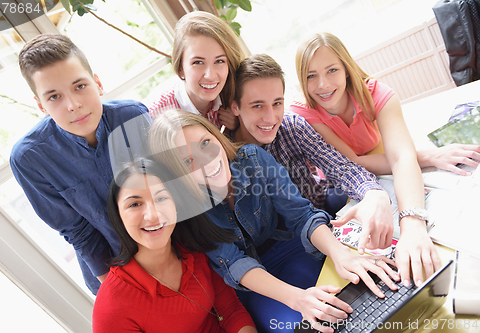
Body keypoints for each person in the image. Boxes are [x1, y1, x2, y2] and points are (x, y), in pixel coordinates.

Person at [149, 109, 399, 333]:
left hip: (293, 250)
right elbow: (234, 264)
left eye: (206, 143)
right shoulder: (187, 212)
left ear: (216, 136)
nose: (207, 160)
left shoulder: (252, 159)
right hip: (255, 282)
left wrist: (341, 253)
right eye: (186, 161)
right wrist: (297, 299)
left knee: (357, 293)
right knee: (297, 327)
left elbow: (301, 215)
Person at [291, 32, 477, 289]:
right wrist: (425, 156)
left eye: (332, 70)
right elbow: (353, 163)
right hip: (345, 187)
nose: (322, 84)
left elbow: (400, 155)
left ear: (346, 68)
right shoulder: (304, 114)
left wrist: (413, 224)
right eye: (311, 75)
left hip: (384, 171)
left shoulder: (376, 93)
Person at [10, 33, 152, 294]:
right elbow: (79, 233)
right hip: (113, 271)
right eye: (54, 97)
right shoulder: (29, 159)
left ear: (97, 83)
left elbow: (168, 191)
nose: (73, 105)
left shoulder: (133, 116)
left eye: (80, 86)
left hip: (174, 248)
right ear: (41, 105)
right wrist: (123, 292)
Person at [230, 53, 394, 253]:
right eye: (257, 106)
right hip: (281, 244)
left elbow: (341, 167)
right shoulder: (228, 157)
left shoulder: (292, 126)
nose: (271, 117)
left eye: (277, 103)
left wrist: (373, 193)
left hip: (322, 209)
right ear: (235, 107)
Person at [92, 157, 256, 333]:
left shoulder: (195, 247)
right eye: (135, 204)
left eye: (161, 198)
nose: (152, 215)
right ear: (119, 217)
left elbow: (230, 311)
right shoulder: (112, 307)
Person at [145, 11, 244, 130]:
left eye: (219, 61)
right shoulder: (156, 116)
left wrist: (238, 125)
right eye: (198, 62)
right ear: (181, 68)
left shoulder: (231, 93)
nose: (210, 76)